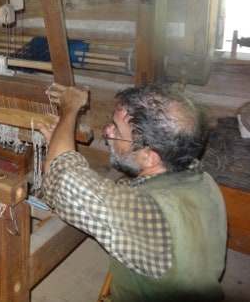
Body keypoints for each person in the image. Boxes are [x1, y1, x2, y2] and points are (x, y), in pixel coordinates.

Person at [37, 82, 227, 302]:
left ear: (149, 157)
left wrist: (69, 110)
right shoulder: (202, 180)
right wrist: (59, 142)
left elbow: (59, 174)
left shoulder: (147, 215)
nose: (108, 131)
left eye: (116, 129)